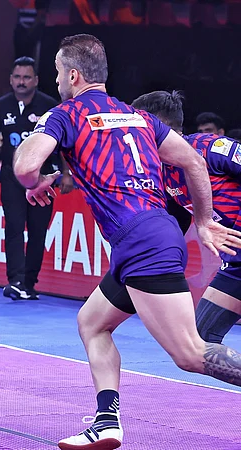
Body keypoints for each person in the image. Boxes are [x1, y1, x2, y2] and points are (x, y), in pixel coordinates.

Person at [13, 34, 241, 450]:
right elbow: (190, 161)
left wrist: (34, 182)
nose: (56, 80)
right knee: (92, 323)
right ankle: (106, 422)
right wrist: (203, 221)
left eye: (57, 72)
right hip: (147, 237)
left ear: (73, 75)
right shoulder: (135, 117)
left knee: (191, 353)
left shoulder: (65, 114)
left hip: (141, 243)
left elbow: (26, 167)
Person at [95, 90, 241, 350]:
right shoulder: (162, 172)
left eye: (138, 127)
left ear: (160, 127)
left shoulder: (210, 148)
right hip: (236, 264)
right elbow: (175, 222)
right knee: (201, 341)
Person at [0, 56, 71, 300]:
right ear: (11, 79)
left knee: (38, 231)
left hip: (44, 177)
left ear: (36, 80)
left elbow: (63, 143)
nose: (21, 82)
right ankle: (16, 280)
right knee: (14, 227)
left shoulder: (50, 106)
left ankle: (29, 283)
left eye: (27, 77)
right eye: (17, 77)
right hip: (12, 176)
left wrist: (67, 173)